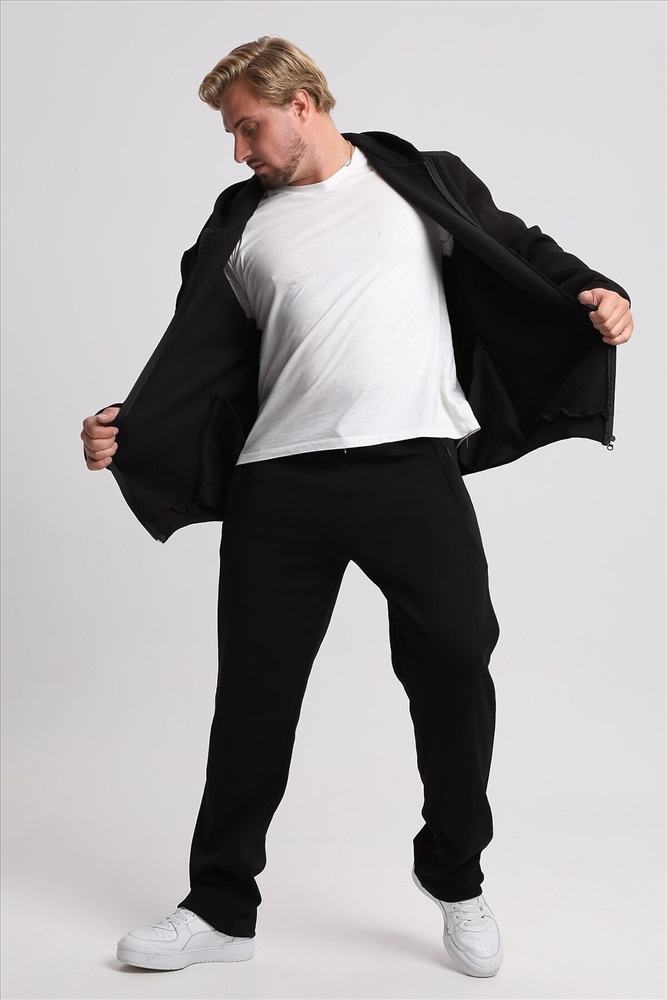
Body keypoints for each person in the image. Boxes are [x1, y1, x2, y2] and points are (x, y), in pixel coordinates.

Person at [80, 36, 633, 978]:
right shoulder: (239, 224)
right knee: (254, 695)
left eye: (248, 127)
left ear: (302, 104)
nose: (238, 150)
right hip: (279, 483)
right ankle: (219, 907)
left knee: (456, 658)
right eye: (230, 135)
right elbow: (196, 362)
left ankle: (454, 877)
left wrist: (596, 290)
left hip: (409, 466)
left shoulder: (417, 182)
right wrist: (127, 426)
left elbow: (519, 248)